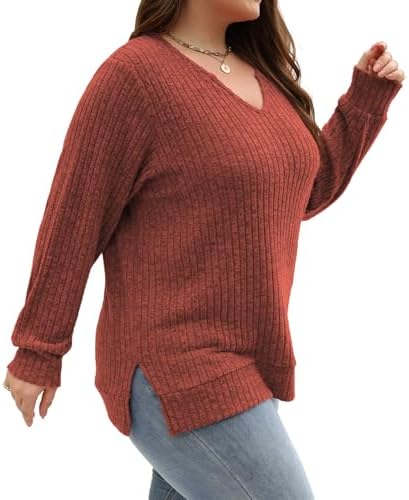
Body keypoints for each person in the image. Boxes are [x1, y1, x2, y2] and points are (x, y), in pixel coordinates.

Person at [4, 0, 404, 498]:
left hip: (251, 361)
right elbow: (75, 214)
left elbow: (304, 191)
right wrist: (38, 350)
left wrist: (364, 102)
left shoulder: (259, 73)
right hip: (175, 366)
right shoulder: (134, 77)